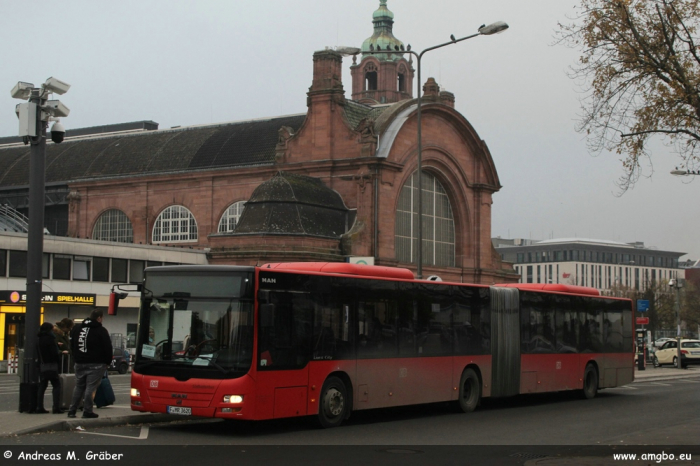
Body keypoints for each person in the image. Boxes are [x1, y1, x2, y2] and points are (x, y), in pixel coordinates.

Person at [67, 309, 113, 419]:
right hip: (96, 363)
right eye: (102, 318)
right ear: (99, 318)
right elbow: (107, 347)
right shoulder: (101, 330)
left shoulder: (77, 329)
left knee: (79, 387)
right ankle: (87, 411)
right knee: (90, 388)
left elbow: (72, 345)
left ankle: (72, 410)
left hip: (79, 362)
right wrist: (107, 362)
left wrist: (76, 358)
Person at [36, 322, 68, 414]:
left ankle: (39, 406)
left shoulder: (39, 339)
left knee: (42, 386)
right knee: (56, 385)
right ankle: (56, 407)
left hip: (42, 365)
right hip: (51, 365)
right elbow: (54, 353)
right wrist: (59, 354)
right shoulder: (50, 339)